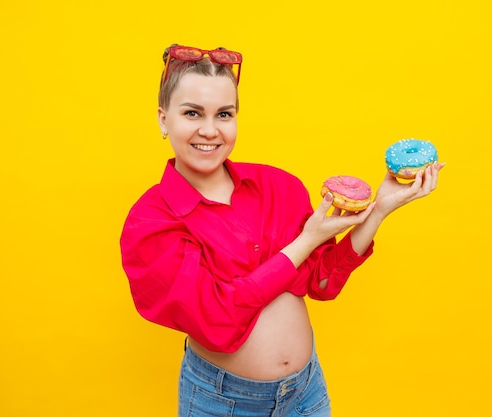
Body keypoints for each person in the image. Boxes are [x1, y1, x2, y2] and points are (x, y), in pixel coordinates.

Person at [120, 44, 444, 417]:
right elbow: (217, 318)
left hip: (306, 393)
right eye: (192, 113)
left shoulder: (278, 186)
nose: (209, 130)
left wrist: (378, 211)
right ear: (163, 119)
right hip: (222, 403)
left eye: (224, 114)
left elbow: (322, 283)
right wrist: (308, 239)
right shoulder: (151, 221)